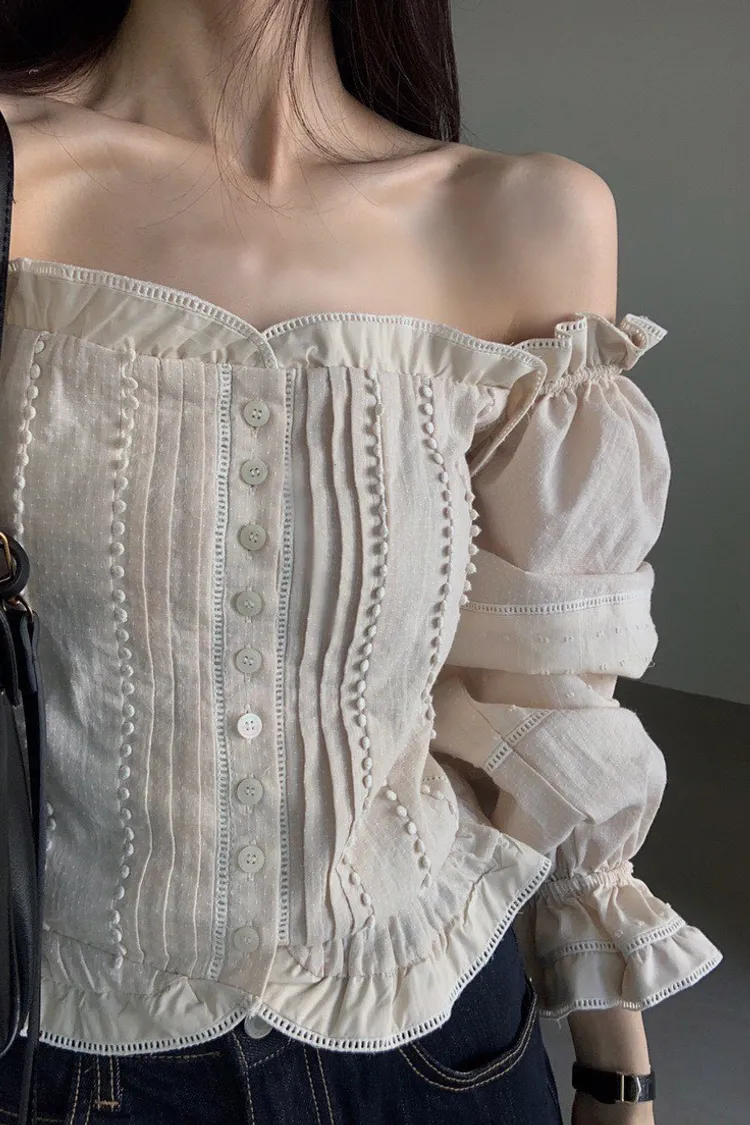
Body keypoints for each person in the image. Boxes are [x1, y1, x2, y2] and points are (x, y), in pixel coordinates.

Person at [0, 2, 722, 1122]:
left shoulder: (522, 216)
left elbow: (545, 687)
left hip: (435, 1050)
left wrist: (616, 1070)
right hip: (57, 1051)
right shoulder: (19, 175)